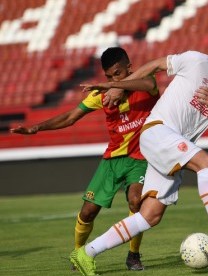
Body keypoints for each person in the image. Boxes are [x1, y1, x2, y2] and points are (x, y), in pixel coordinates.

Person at [70, 42, 208, 275]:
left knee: (150, 216)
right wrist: (119, 87)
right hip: (157, 130)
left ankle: (85, 253)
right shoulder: (196, 60)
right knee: (206, 162)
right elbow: (157, 64)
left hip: (175, 146)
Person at [10, 47, 159, 271]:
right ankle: (78, 254)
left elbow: (150, 85)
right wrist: (36, 128)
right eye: (108, 76)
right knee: (88, 212)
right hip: (112, 160)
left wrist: (116, 87)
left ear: (129, 68)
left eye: (117, 74)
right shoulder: (100, 95)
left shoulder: (146, 82)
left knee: (136, 200)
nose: (112, 79)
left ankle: (133, 256)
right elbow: (71, 117)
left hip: (140, 158)